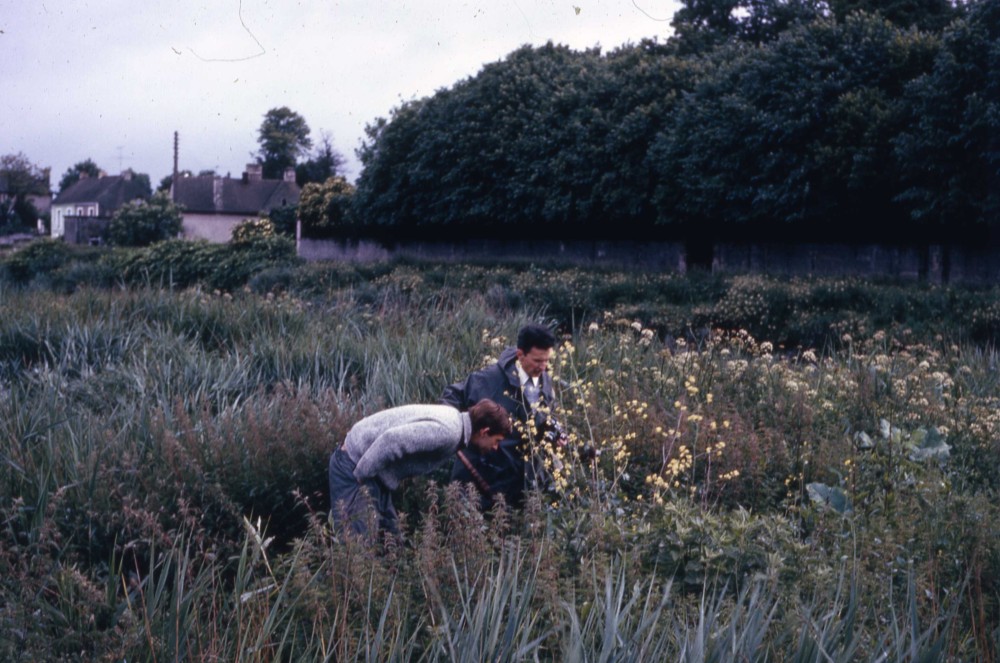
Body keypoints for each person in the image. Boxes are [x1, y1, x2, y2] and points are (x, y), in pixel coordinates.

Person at [328, 398, 511, 538]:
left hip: (375, 474)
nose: (495, 448)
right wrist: (360, 476)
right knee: (357, 549)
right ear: (484, 432)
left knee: (392, 544)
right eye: (497, 441)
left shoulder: (454, 421)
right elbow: (392, 440)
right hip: (355, 466)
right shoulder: (449, 432)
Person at [442, 323, 562, 509]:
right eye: (538, 361)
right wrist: (458, 435)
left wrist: (553, 432)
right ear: (520, 354)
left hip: (518, 482)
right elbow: (451, 397)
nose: (543, 367)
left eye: (547, 361)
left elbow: (545, 416)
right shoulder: (489, 379)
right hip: (479, 478)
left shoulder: (544, 380)